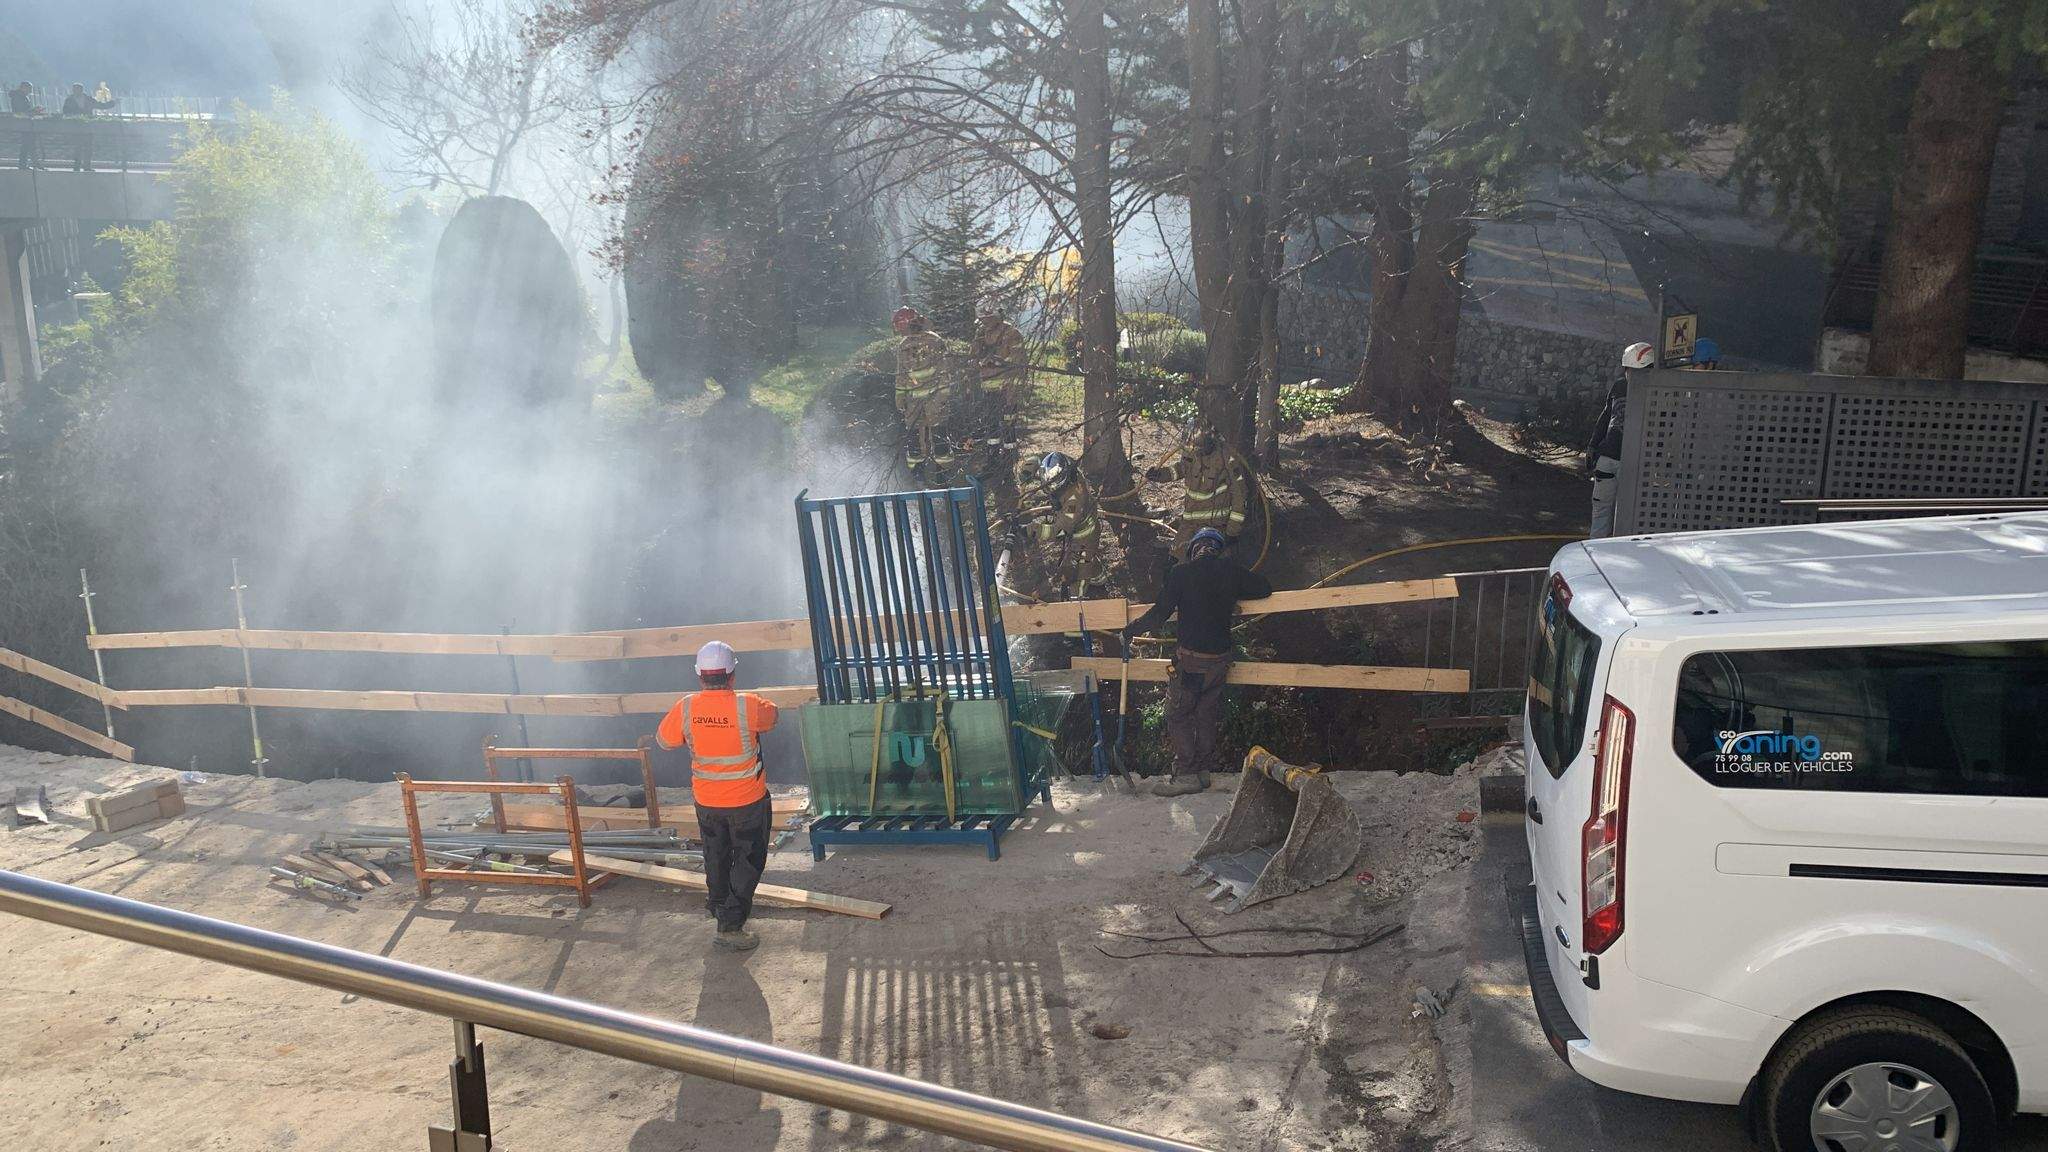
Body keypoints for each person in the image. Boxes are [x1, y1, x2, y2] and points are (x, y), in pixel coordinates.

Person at [1123, 527, 1271, 796]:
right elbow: (1264, 588)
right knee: (1205, 714)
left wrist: (1131, 629)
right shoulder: (1230, 572)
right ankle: (1202, 772)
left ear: (1193, 550)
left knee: (1178, 714)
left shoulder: (1181, 574)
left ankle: (1187, 774)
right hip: (1220, 661)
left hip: (1192, 663)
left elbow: (1158, 615)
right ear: (1218, 549)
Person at [655, 640, 781, 951]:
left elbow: (663, 740)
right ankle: (730, 925)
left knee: (717, 855)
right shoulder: (748, 705)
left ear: (700, 677)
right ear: (732, 675)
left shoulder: (685, 707)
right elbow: (773, 717)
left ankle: (718, 902)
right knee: (748, 860)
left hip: (707, 801)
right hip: (747, 801)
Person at [1587, 341, 1653, 539]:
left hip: (1628, 461)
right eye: (1627, 370)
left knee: (1621, 516)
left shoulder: (1652, 391)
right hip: (1612, 458)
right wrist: (1593, 445)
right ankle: (1597, 550)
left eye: (1632, 370)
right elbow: (1606, 417)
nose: (1629, 374)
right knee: (1603, 510)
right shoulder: (1620, 386)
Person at [1028, 451, 1108, 599]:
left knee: (1080, 572)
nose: (1050, 487)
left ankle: (1078, 599)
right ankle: (1099, 577)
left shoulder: (1074, 501)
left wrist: (1035, 530)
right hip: (1077, 528)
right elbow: (1043, 468)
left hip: (1085, 535)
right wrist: (1028, 470)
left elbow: (1060, 530)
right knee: (1087, 559)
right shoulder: (1065, 471)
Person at [892, 305, 956, 482]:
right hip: (913, 403)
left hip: (935, 399)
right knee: (913, 439)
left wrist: (942, 397)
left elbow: (945, 370)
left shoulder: (934, 340)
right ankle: (917, 475)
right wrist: (900, 396)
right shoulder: (903, 346)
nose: (900, 332)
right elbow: (901, 374)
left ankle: (943, 474)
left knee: (939, 436)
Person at [1172, 423, 1246, 559]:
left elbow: (1239, 497)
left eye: (1198, 447)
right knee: (1175, 562)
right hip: (1189, 525)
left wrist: (1232, 532)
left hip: (1216, 527)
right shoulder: (1191, 453)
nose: (1195, 451)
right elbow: (1181, 469)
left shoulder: (1227, 459)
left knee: (1214, 568)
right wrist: (1160, 474)